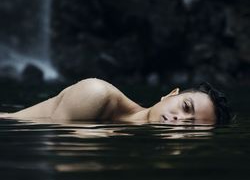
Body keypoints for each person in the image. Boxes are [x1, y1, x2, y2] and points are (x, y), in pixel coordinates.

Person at [1, 78, 231, 124]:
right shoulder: (97, 93)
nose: (179, 120)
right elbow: (56, 157)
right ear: (171, 94)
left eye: (191, 127)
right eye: (185, 107)